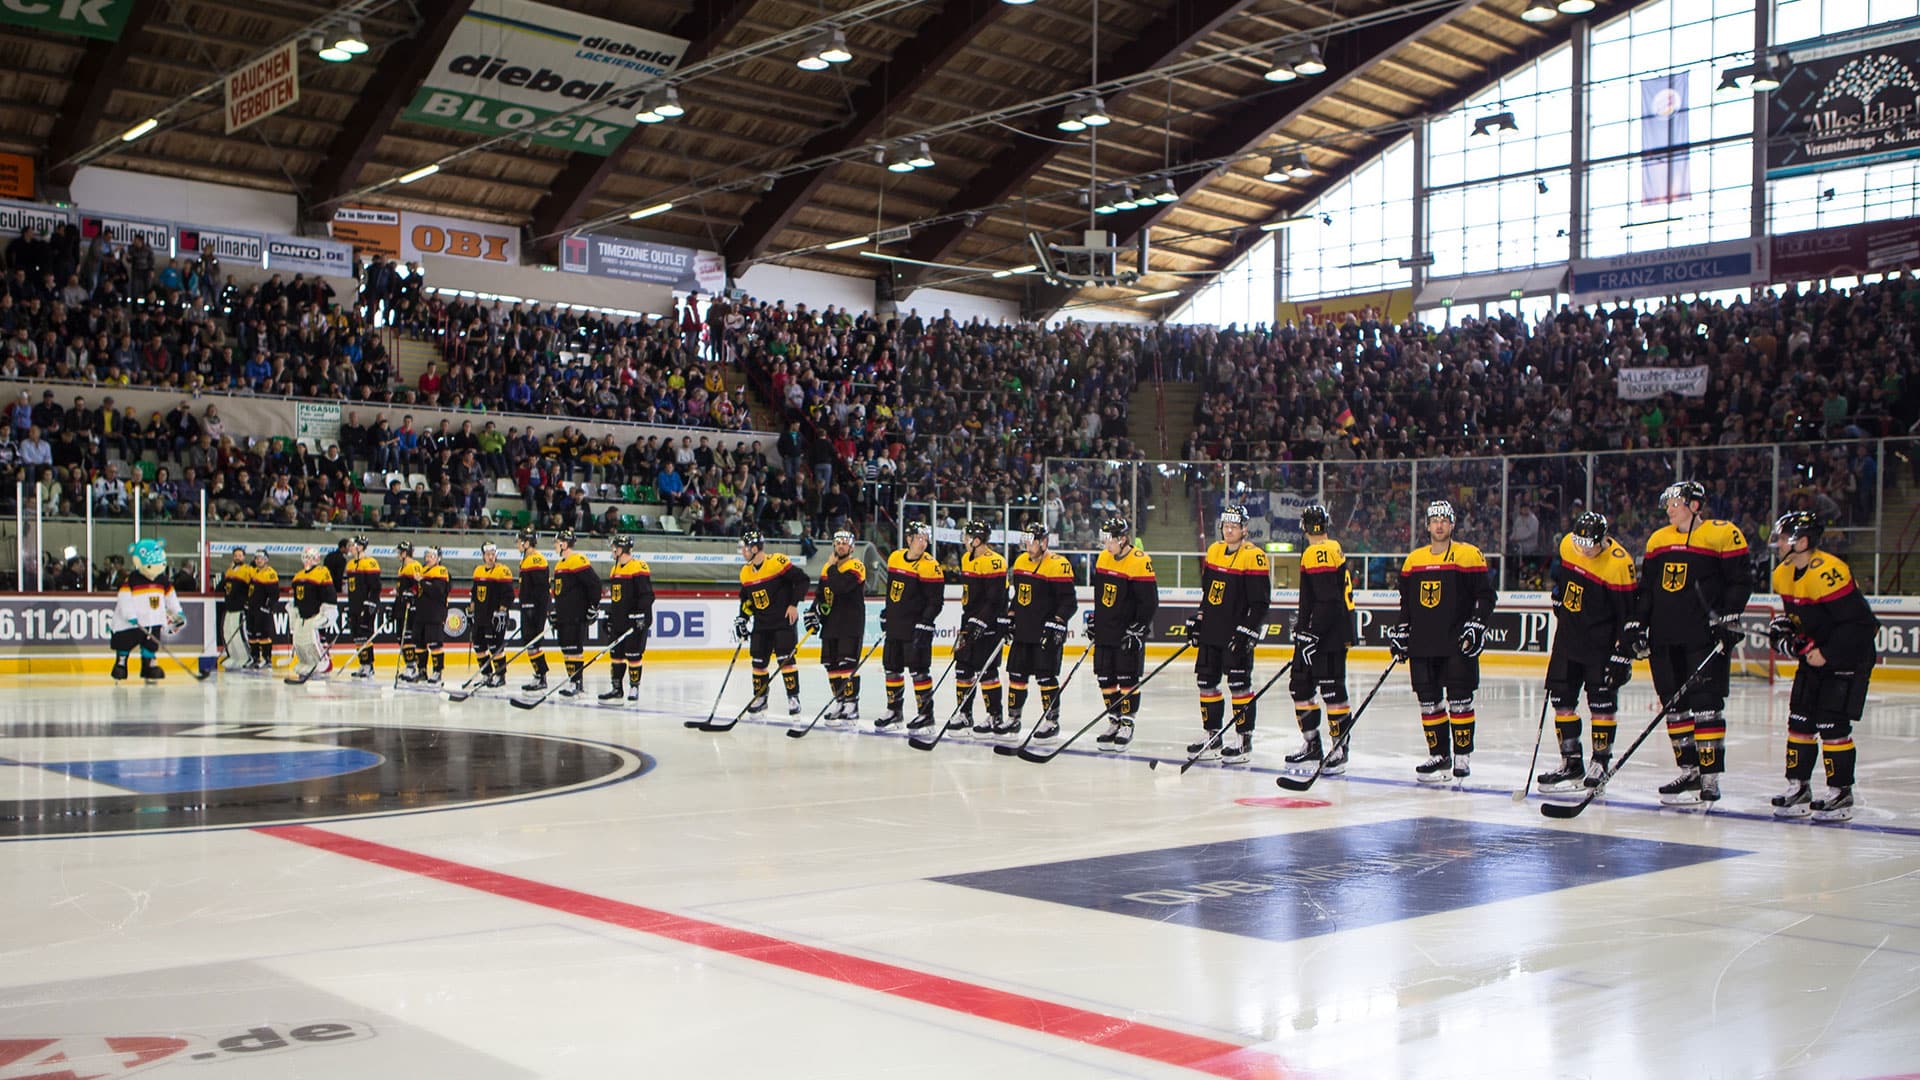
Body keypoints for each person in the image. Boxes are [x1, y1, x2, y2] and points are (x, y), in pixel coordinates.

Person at [1620, 480, 1751, 807]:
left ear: (1695, 505)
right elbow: (1647, 589)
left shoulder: (1722, 533)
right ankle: (1689, 770)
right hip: (1664, 638)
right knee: (1674, 708)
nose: (1668, 509)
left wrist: (1728, 617)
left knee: (1706, 705)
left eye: (1675, 503)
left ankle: (1710, 778)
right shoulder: (1658, 539)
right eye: (1667, 504)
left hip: (1703, 637)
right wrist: (1639, 623)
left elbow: (1740, 581)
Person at [1767, 510, 1875, 822]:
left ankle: (1841, 792)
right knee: (1799, 721)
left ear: (1802, 542)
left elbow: (1862, 624)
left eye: (1784, 537)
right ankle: (1798, 787)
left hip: (1848, 657)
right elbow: (1801, 618)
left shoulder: (1830, 571)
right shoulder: (1783, 574)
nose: (1778, 543)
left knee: (1832, 724)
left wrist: (1827, 652)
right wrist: (1786, 630)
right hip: (1814, 658)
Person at [1388, 500, 1496, 781]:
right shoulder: (1414, 560)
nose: (1439, 525)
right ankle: (1439, 755)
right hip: (1423, 643)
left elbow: (1486, 597)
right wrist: (1401, 630)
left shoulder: (1468, 555)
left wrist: (1476, 625)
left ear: (1452, 524)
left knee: (1460, 700)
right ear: (1427, 525)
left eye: (1444, 520)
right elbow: (1407, 605)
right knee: (1429, 702)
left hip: (1456, 642)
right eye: (1434, 520)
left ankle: (1462, 756)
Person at [1537, 511, 1636, 792]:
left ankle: (1600, 762)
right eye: (1579, 541)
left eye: (1589, 543)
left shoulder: (1620, 564)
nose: (1583, 548)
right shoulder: (1569, 544)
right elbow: (1565, 579)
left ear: (1603, 538)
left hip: (1600, 646)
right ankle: (1571, 762)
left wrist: (1623, 652)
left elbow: (1627, 613)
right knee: (1562, 701)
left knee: (1601, 705)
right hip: (1568, 640)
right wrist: (1559, 594)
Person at [1185, 505, 1271, 765]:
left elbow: (1260, 602)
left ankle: (1243, 741)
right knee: (1206, 683)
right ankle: (1213, 736)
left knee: (1239, 686)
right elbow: (1208, 593)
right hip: (1212, 630)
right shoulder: (1213, 551)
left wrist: (1248, 629)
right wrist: (1199, 618)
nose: (1229, 529)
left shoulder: (1254, 556)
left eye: (1234, 525)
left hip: (1236, 634)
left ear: (1245, 528)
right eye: (1226, 525)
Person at [1285, 503, 1355, 773]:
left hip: (1328, 634)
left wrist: (1312, 633)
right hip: (1320, 633)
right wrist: (1305, 631)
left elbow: (1328, 600)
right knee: (1300, 686)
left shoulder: (1320, 551)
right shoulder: (1326, 548)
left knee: (1332, 689)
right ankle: (1313, 746)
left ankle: (1339, 749)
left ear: (1303, 527)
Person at [1004, 521, 1076, 742]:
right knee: (1016, 675)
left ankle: (1051, 721)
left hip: (1046, 632)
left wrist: (1058, 621)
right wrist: (1011, 616)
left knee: (1046, 677)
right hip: (1024, 631)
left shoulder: (1059, 564)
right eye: (1025, 540)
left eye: (1031, 540)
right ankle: (1013, 719)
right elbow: (1018, 597)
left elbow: (1069, 602)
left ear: (1043, 542)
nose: (1027, 545)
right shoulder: (1020, 562)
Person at [1088, 517, 1156, 751]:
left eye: (1109, 539)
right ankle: (1114, 720)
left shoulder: (1139, 561)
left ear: (1123, 539)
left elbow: (1149, 601)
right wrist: (1095, 619)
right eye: (1104, 538)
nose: (1106, 543)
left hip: (1127, 632)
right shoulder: (1103, 557)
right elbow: (1100, 596)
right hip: (1106, 629)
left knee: (1127, 679)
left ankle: (1127, 722)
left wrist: (1139, 627)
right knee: (1105, 678)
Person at [878, 520, 944, 730]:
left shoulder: (931, 566)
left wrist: (925, 623)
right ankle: (894, 711)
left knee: (919, 670)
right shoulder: (895, 557)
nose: (923, 543)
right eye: (919, 538)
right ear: (909, 539)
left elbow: (936, 601)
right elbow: (891, 591)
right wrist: (886, 612)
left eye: (925, 539)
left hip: (916, 628)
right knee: (891, 667)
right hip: (896, 624)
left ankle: (926, 714)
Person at [736, 529, 810, 715]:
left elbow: (802, 580)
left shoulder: (777, 562)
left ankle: (793, 697)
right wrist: (742, 618)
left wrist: (794, 604)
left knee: (785, 659)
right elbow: (746, 600)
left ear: (755, 548)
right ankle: (760, 697)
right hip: (761, 624)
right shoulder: (745, 572)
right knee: (758, 661)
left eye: (745, 548)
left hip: (782, 621)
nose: (742, 552)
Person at [952, 520, 1007, 738]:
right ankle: (964, 714)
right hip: (969, 621)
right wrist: (970, 622)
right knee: (962, 669)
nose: (964, 541)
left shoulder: (995, 562)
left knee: (987, 672)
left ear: (977, 540)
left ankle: (995, 715)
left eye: (967, 537)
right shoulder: (966, 558)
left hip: (990, 624)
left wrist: (981, 622)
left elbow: (995, 600)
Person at [807, 528, 867, 725]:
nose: (841, 546)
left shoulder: (856, 565)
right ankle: (839, 702)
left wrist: (832, 567)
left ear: (851, 547)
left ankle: (852, 704)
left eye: (845, 543)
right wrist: (813, 610)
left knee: (846, 665)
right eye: (838, 542)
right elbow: (821, 593)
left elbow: (841, 586)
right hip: (831, 623)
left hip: (850, 623)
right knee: (831, 665)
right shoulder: (827, 568)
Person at [109, 539, 185, 682]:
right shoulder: (132, 579)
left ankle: (148, 665)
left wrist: (177, 611)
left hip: (153, 620)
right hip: (133, 622)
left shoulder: (162, 580)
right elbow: (124, 598)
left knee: (150, 644)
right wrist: (130, 615)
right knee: (125, 642)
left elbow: (171, 597)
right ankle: (121, 663)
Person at [548, 530, 602, 697]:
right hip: (564, 613)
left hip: (576, 613)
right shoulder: (559, 565)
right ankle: (572, 681)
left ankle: (577, 683)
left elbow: (594, 584)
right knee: (566, 648)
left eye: (557, 543)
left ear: (564, 544)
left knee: (574, 648)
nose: (555, 546)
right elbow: (559, 591)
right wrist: (556, 610)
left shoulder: (578, 560)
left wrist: (593, 607)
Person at [602, 535, 655, 702]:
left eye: (615, 547)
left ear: (622, 549)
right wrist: (610, 615)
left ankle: (634, 687)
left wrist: (641, 616)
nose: (612, 550)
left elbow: (647, 595)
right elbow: (616, 598)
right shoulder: (615, 569)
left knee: (633, 654)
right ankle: (616, 689)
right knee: (616, 655)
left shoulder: (638, 567)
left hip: (635, 621)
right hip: (619, 620)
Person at [470, 542, 515, 688]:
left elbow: (508, 594)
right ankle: (486, 674)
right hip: (480, 616)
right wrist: (472, 609)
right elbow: (475, 593)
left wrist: (502, 611)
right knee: (479, 646)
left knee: (495, 647)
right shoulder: (478, 571)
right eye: (488, 554)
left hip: (494, 616)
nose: (490, 557)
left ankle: (500, 675)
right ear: (483, 555)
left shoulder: (503, 571)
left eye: (492, 554)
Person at [288, 546, 338, 678]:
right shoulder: (298, 576)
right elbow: (297, 597)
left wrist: (328, 610)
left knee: (315, 642)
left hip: (316, 615)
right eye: (306, 557)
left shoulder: (322, 571)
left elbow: (329, 593)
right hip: (303, 616)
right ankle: (306, 662)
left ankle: (323, 664)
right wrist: (294, 611)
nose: (308, 560)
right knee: (301, 642)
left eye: (310, 557)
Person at [516, 528, 553, 691]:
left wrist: (535, 607)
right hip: (528, 607)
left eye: (519, 541)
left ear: (527, 543)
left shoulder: (536, 560)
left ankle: (541, 676)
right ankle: (539, 675)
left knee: (533, 642)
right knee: (530, 643)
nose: (517, 544)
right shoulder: (526, 559)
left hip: (534, 608)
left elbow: (541, 588)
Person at [409, 546, 451, 684]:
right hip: (421, 612)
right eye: (427, 555)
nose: (428, 558)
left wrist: (421, 581)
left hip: (435, 613)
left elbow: (437, 591)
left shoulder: (441, 571)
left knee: (435, 643)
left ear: (438, 558)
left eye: (432, 556)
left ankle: (437, 672)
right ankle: (422, 671)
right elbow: (418, 589)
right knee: (419, 643)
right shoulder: (422, 570)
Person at [344, 536, 382, 677]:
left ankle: (369, 666)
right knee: (357, 636)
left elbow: (376, 586)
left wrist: (371, 601)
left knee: (365, 634)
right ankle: (363, 664)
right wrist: (350, 605)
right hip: (354, 605)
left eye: (353, 545)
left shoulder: (370, 563)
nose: (350, 548)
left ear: (360, 547)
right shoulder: (350, 564)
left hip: (366, 605)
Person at [392, 541, 425, 681]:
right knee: (401, 637)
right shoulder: (401, 569)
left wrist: (411, 593)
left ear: (405, 553)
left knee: (409, 637)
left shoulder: (415, 566)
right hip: (401, 606)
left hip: (412, 608)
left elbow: (419, 585)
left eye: (400, 552)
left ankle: (413, 668)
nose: (398, 555)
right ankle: (409, 665)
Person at [216, 545, 251, 670]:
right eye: (235, 555)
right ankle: (233, 655)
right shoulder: (230, 571)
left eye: (240, 555)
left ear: (244, 557)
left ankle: (245, 657)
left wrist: (247, 602)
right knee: (227, 632)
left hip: (239, 607)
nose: (237, 557)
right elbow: (220, 587)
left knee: (239, 635)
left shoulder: (247, 570)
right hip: (229, 606)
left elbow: (251, 588)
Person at [245, 550, 280, 670]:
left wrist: (268, 607)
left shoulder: (270, 573)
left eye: (261, 558)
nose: (258, 560)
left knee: (264, 634)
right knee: (252, 633)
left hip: (262, 609)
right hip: (252, 608)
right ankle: (255, 657)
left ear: (266, 560)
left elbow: (274, 594)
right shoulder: (254, 571)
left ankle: (266, 658)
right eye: (257, 558)